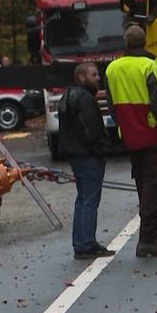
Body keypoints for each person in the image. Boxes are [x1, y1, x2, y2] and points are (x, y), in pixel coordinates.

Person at [105, 26, 157, 257]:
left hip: (131, 136)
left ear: (126, 42)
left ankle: (152, 236)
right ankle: (148, 238)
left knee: (143, 185)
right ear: (145, 42)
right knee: (153, 186)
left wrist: (124, 125)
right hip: (152, 135)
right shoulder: (149, 66)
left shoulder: (112, 69)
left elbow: (112, 104)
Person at [58, 62, 114, 259]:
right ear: (82, 77)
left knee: (82, 199)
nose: (98, 78)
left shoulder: (68, 95)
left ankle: (81, 242)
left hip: (75, 154)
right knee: (90, 200)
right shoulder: (85, 100)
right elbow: (91, 130)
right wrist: (102, 149)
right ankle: (87, 244)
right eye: (94, 74)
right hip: (88, 155)